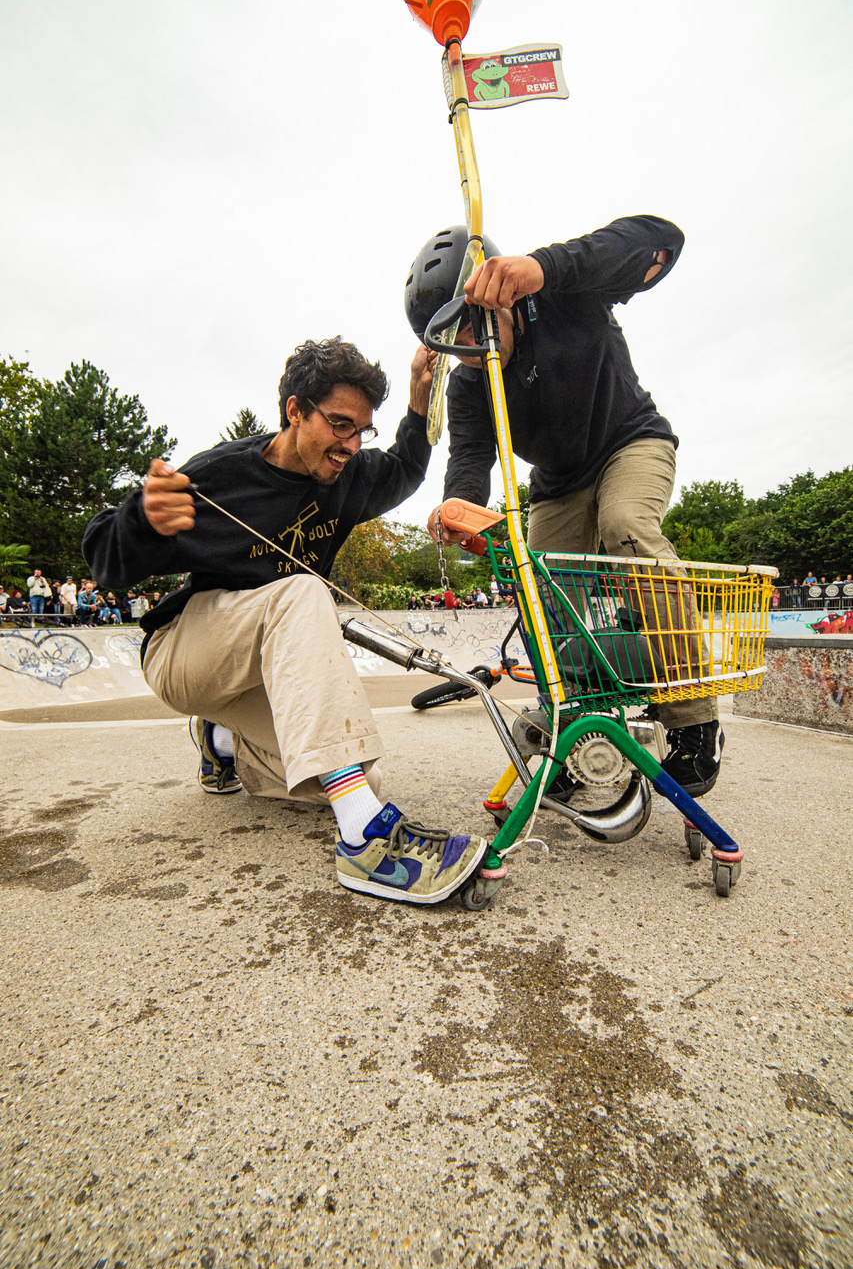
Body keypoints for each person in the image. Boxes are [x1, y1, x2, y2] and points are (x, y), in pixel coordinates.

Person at [83, 336, 489, 907]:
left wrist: (420, 400)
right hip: (186, 654)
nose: (350, 445)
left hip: (256, 674)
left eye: (361, 431)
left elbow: (403, 470)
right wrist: (142, 520)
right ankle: (365, 846)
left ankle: (224, 741)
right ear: (296, 410)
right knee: (300, 592)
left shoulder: (346, 477)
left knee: (345, 775)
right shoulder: (222, 475)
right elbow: (103, 559)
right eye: (340, 425)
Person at [405, 217, 724, 798]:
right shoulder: (471, 384)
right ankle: (576, 730)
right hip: (557, 483)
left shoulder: (564, 296)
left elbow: (662, 239)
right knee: (543, 589)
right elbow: (472, 458)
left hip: (630, 441)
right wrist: (457, 508)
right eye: (456, 347)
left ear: (500, 295)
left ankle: (695, 721)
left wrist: (544, 267)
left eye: (474, 332)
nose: (472, 354)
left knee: (627, 529)